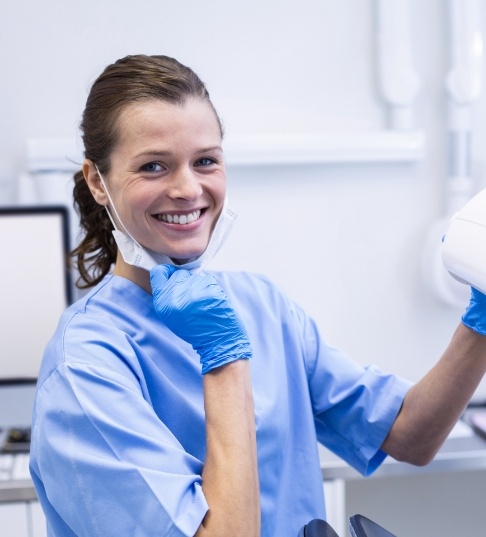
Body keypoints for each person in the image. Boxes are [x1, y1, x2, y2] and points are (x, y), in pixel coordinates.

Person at [29, 54, 486, 537]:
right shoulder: (84, 367)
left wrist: (480, 315)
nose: (188, 189)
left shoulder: (261, 305)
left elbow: (412, 435)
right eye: (154, 166)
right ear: (98, 181)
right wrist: (224, 356)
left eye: (205, 161)